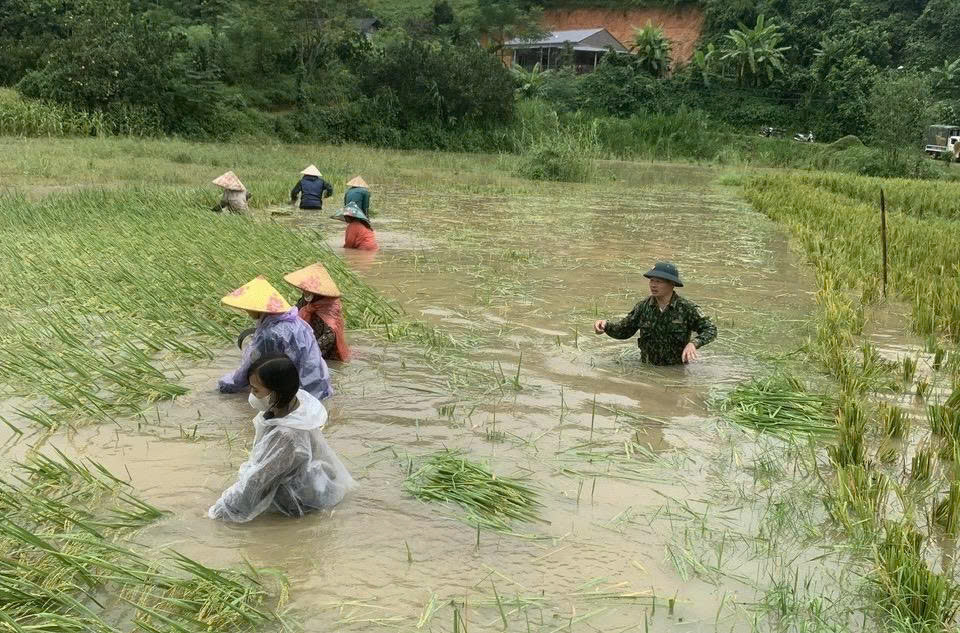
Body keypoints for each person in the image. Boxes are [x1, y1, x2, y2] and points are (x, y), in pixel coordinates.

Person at [208, 355, 355, 523]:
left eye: (256, 390)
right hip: (318, 487)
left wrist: (216, 514)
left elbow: (256, 485)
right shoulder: (293, 403)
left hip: (305, 504)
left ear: (276, 392)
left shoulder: (286, 436)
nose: (252, 395)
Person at [217, 276, 333, 400]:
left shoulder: (270, 334)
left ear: (258, 307)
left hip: (299, 392)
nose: (246, 311)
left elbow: (253, 366)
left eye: (248, 308)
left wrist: (226, 385)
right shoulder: (296, 321)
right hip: (319, 385)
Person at [593, 261, 717, 365]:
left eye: (658, 281)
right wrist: (605, 326)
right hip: (647, 367)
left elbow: (710, 330)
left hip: (677, 369)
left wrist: (694, 344)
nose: (653, 285)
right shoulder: (643, 307)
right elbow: (624, 330)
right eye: (651, 281)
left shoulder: (686, 308)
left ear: (672, 284)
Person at [284, 262, 351, 362]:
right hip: (311, 342)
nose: (303, 291)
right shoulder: (307, 299)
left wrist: (303, 355)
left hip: (328, 355)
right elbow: (293, 314)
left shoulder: (330, 313)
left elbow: (324, 343)